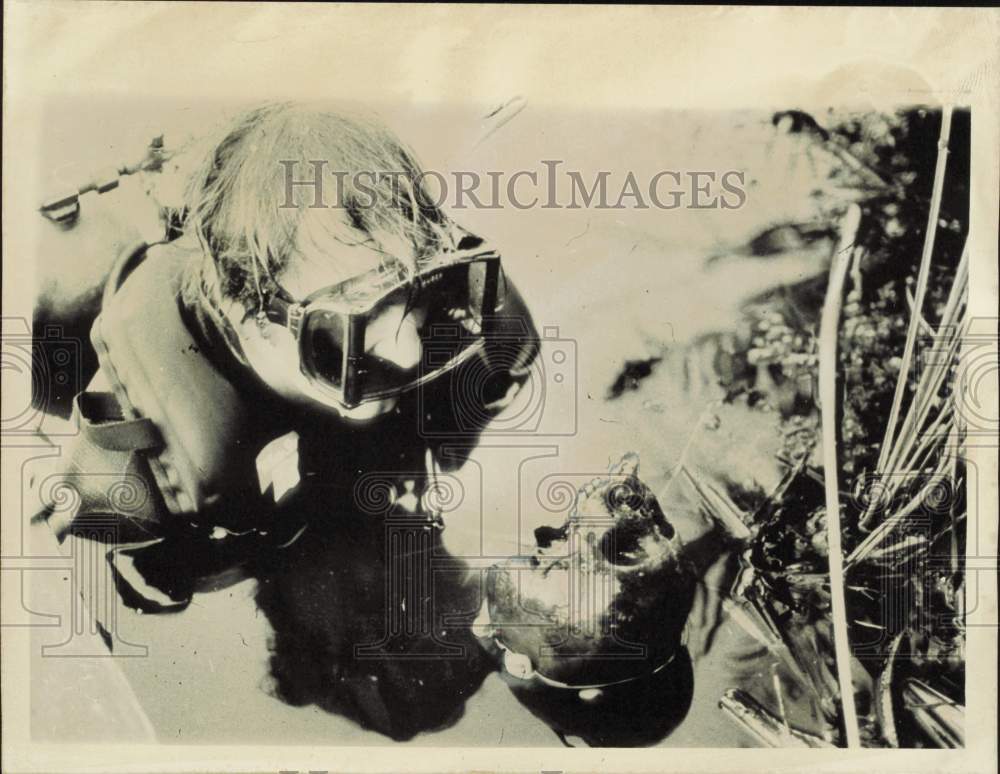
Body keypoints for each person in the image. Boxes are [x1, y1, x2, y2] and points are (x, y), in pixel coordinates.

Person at [35, 102, 539, 614]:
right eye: (353, 328)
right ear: (242, 312)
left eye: (419, 297)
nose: (408, 352)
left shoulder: (469, 318)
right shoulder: (121, 489)